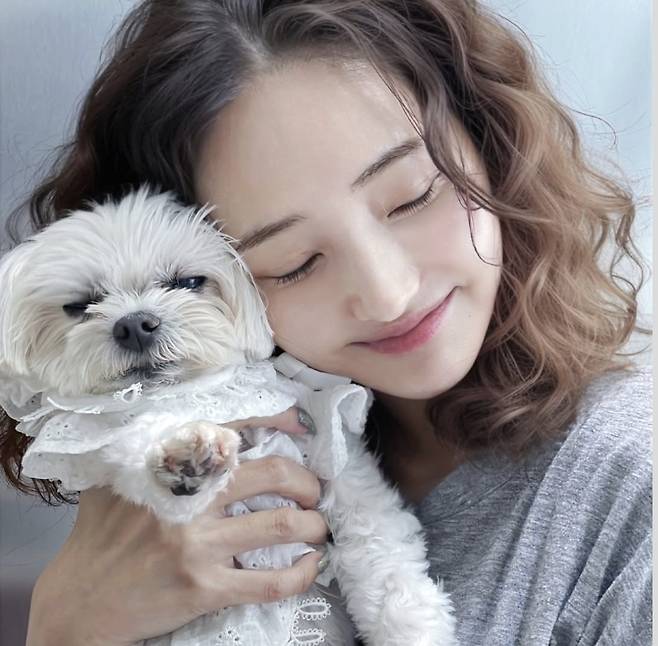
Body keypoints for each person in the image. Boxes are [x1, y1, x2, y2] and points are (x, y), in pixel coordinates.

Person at [0, 1, 651, 644]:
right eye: (295, 262)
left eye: (413, 197)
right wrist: (64, 626)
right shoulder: (155, 506)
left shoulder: (630, 488)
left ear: (490, 147)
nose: (387, 294)